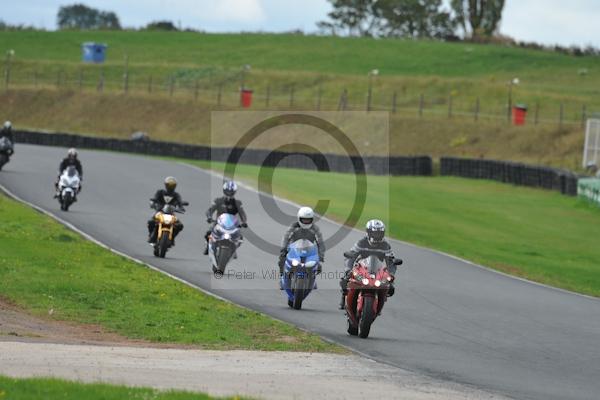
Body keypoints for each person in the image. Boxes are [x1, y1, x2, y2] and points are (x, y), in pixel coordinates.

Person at [339, 219, 400, 309]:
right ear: (368, 232)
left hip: (378, 268)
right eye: (374, 233)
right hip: (362, 266)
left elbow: (391, 261)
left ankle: (380, 301)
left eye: (379, 233)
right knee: (346, 279)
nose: (377, 236)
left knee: (390, 287)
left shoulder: (386, 245)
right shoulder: (361, 242)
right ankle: (344, 297)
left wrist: (391, 275)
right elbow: (351, 255)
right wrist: (348, 269)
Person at [278, 206, 325, 288]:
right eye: (304, 219)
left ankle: (312, 281)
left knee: (318, 266)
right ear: (299, 218)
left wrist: (321, 255)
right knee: (282, 260)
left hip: (309, 251)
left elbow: (320, 242)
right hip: (294, 250)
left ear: (312, 219)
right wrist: (283, 249)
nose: (306, 222)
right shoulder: (294, 226)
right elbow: (286, 237)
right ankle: (283, 278)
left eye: (308, 220)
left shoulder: (315, 228)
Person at [203, 181, 248, 255]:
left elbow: (242, 213)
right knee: (208, 233)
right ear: (224, 191)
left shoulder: (238, 203)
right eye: (228, 191)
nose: (229, 193)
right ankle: (208, 247)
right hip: (219, 223)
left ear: (234, 192)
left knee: (240, 237)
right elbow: (210, 210)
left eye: (231, 192)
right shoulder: (218, 200)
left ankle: (234, 249)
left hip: (232, 224)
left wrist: (244, 222)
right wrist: (209, 217)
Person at [147, 176, 186, 244]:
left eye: (172, 185)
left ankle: (172, 238)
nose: (170, 187)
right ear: (165, 185)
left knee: (180, 225)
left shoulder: (176, 195)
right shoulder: (160, 192)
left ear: (175, 186)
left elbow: (180, 202)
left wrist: (181, 207)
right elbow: (154, 198)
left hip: (171, 214)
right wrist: (153, 203)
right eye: (169, 185)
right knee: (151, 222)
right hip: (160, 212)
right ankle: (151, 235)